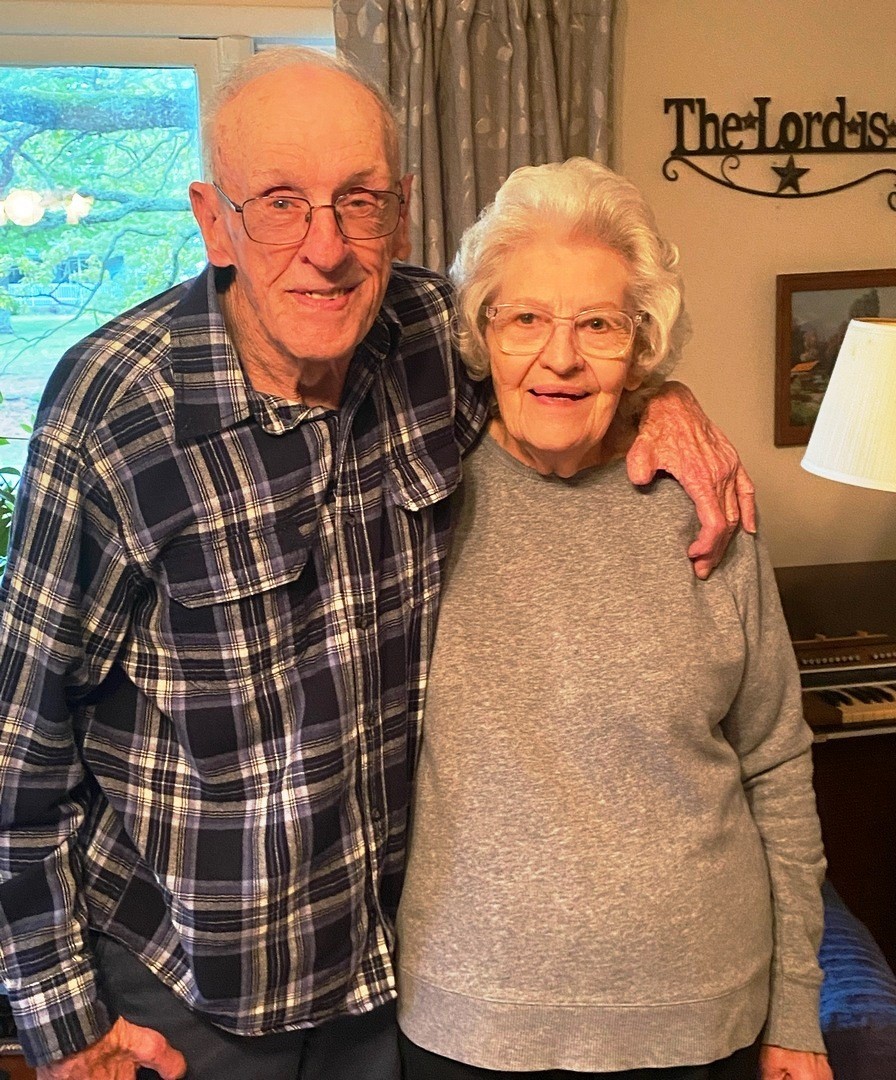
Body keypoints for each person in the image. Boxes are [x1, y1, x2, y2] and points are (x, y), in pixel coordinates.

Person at [0, 49, 752, 1080]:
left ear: (401, 214)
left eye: (358, 202)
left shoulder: (433, 336)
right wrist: (65, 1021)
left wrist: (668, 399)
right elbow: (21, 745)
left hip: (386, 976)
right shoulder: (115, 407)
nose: (326, 249)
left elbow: (567, 351)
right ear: (213, 220)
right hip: (191, 990)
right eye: (279, 203)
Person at [395, 158, 833, 1080]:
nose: (560, 357)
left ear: (641, 349)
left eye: (598, 324)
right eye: (525, 319)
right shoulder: (416, 497)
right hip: (469, 1022)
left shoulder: (709, 507)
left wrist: (797, 1008)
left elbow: (777, 763)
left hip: (701, 1019)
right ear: (481, 333)